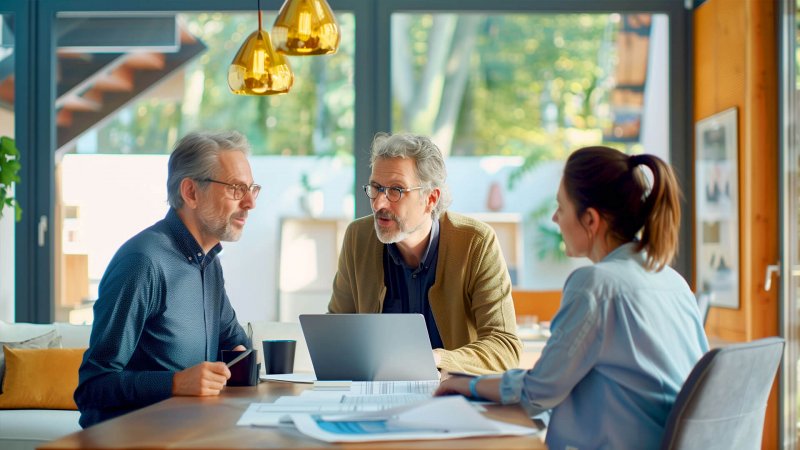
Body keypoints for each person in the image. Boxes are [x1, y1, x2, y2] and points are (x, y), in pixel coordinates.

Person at [435, 146, 709, 449]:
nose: (554, 218)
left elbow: (538, 392)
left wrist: (465, 384)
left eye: (561, 208)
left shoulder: (596, 285)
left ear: (590, 220)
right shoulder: (671, 280)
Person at [75, 131, 258, 428]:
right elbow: (93, 388)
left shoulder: (209, 263)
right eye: (236, 189)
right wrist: (174, 383)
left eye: (252, 189)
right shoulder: (142, 263)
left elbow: (236, 344)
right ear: (191, 193)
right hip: (134, 439)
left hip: (192, 432)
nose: (250, 202)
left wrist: (242, 358)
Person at [328, 132, 521, 374]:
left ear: (430, 198)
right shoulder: (359, 237)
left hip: (452, 397)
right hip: (376, 396)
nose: (379, 203)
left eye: (396, 191)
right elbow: (336, 332)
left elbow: (505, 348)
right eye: (376, 188)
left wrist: (434, 359)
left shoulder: (476, 243)